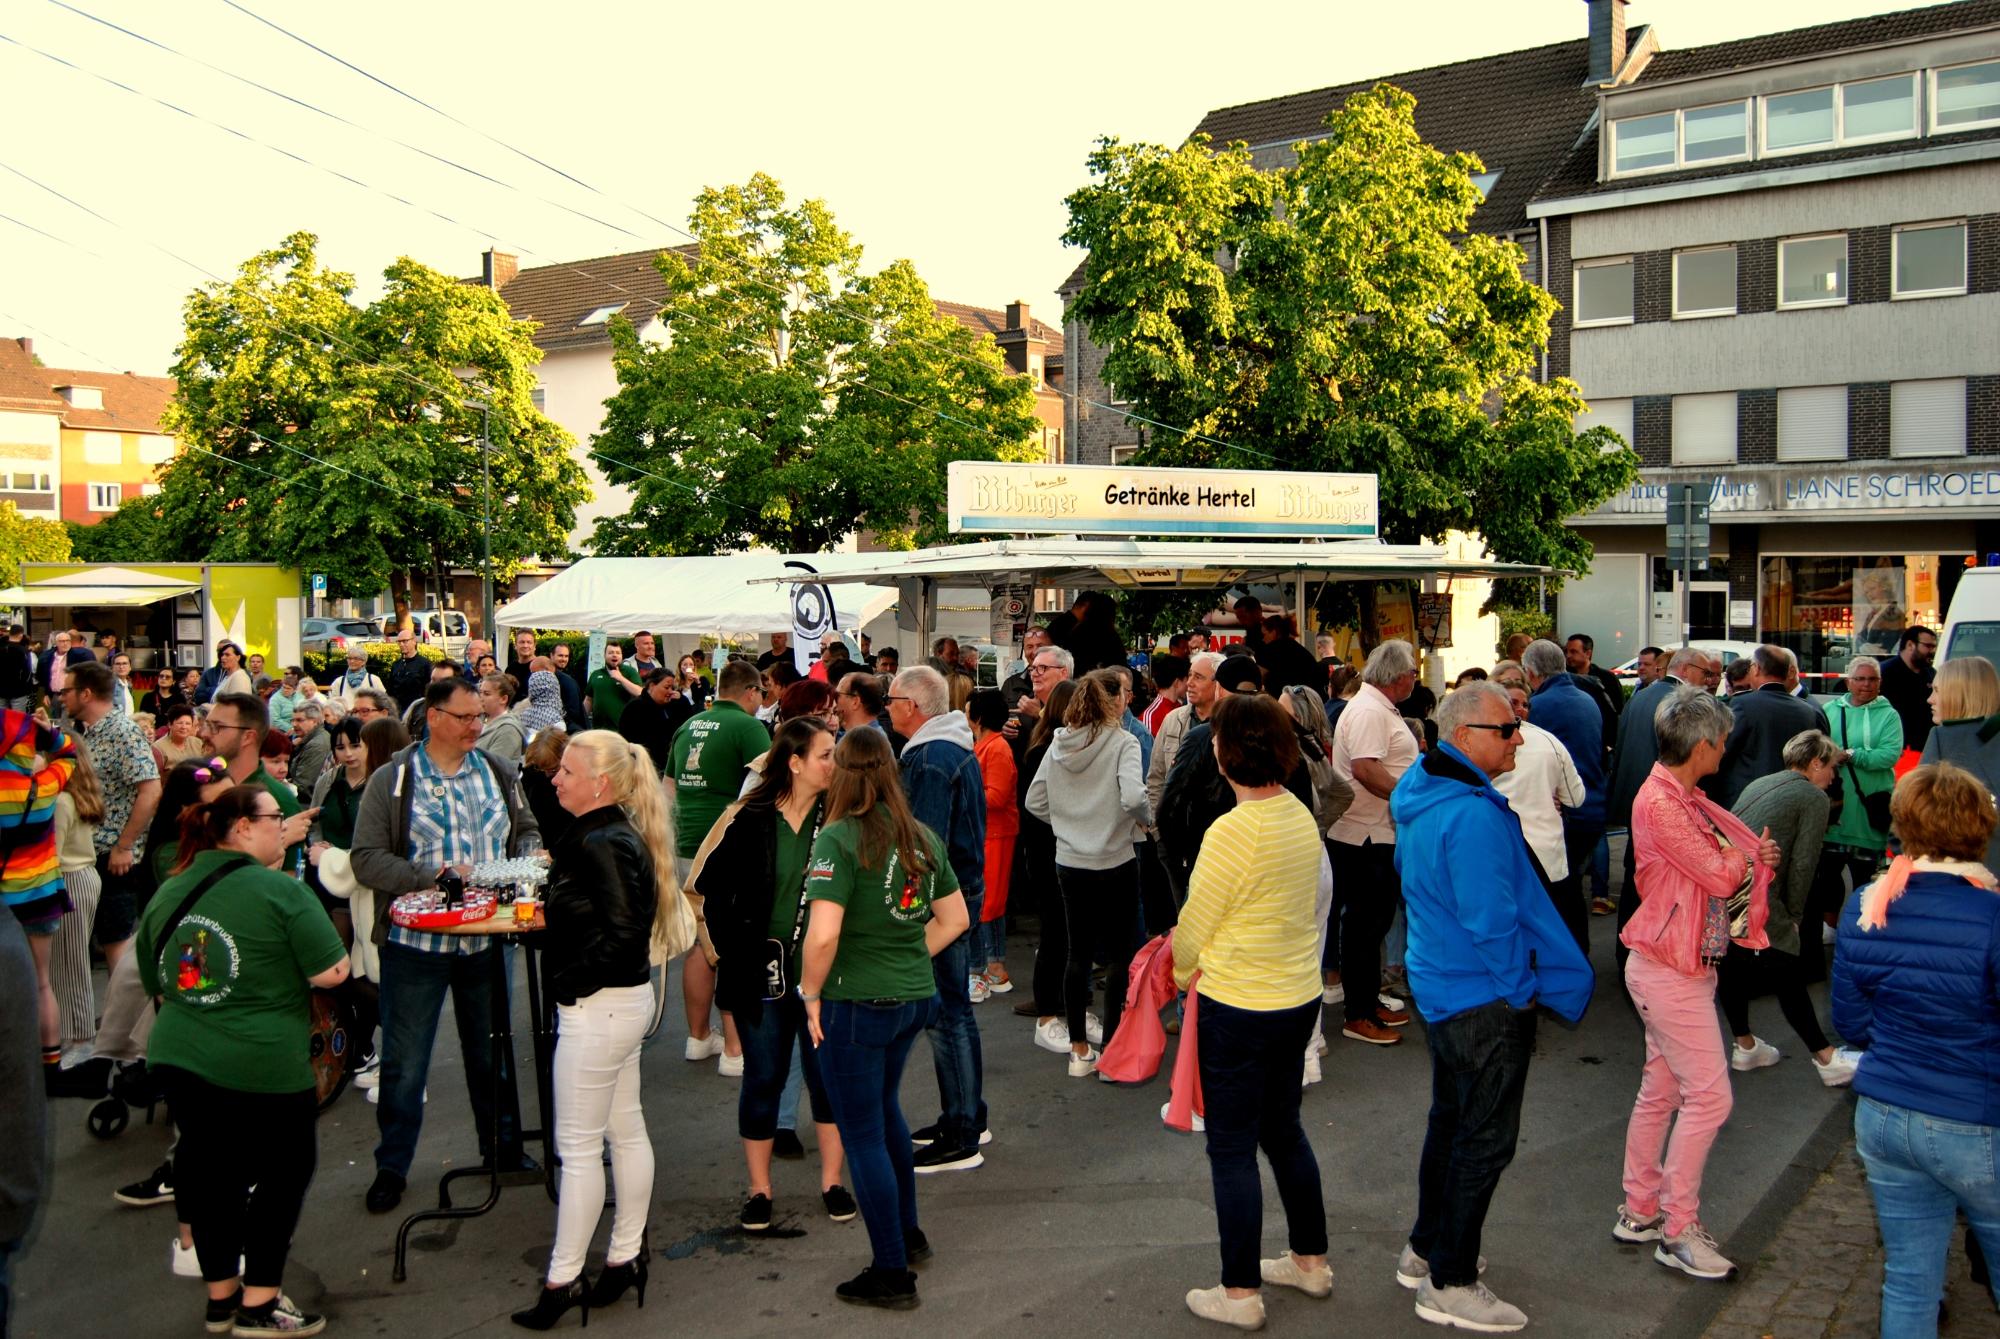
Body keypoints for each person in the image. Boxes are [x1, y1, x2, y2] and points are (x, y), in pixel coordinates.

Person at [1391, 681, 1594, 1333]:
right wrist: (1519, 990)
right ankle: (1450, 1278)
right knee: (1483, 1137)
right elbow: (1492, 918)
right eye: (1507, 728)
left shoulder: (1426, 789)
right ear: (1467, 735)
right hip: (1477, 994)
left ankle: (1428, 1248)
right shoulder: (1471, 811)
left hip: (1442, 984)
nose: (1518, 737)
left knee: (1452, 1123)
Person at [136, 784, 350, 1338]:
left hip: (182, 1053)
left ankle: (220, 1300)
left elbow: (160, 977)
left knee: (211, 1176)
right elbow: (332, 972)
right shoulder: (278, 890)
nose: (283, 825)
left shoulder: (173, 889)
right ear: (241, 828)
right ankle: (259, 1304)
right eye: (275, 816)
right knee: (283, 1174)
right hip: (262, 1060)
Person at [349, 678, 542, 1214]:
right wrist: (432, 876)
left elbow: (525, 830)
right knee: (406, 1064)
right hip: (416, 947)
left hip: (486, 943)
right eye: (465, 717)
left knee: (493, 1053)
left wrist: (526, 859)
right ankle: (392, 1166)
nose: (476, 726)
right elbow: (365, 859)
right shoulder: (394, 780)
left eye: (480, 716)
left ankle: (502, 1150)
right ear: (433, 717)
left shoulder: (499, 772)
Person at [1171, 692, 1330, 1331]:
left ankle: (1239, 1293)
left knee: (1231, 1147)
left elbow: (1192, 929)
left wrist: (1182, 975)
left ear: (1226, 752)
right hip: (1296, 997)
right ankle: (1310, 1261)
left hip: (1238, 1004)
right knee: (1284, 1129)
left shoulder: (1232, 831)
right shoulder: (1295, 812)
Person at [797, 726, 970, 1311]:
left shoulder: (838, 839)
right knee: (886, 1113)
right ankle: (908, 1234)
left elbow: (822, 935)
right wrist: (905, 956)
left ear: (843, 774)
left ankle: (892, 1270)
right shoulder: (918, 835)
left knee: (863, 1132)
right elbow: (955, 918)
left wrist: (810, 993)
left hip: (854, 1003)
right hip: (911, 998)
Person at [511, 730, 678, 1330]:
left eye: (567, 772)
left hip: (600, 1007)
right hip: (615, 1004)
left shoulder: (602, 839)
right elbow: (618, 927)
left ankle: (563, 1280)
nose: (554, 778)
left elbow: (624, 933)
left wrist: (568, 983)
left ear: (599, 784)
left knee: (580, 1149)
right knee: (621, 1131)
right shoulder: (604, 833)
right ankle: (625, 1258)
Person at [1616, 686, 1779, 1282]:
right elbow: (1716, 871)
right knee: (1710, 1098)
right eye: (1724, 739)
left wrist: (1744, 854)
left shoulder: (1679, 796)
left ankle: (1639, 1212)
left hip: (1674, 962)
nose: (1728, 747)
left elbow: (1717, 865)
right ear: (1704, 744)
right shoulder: (1666, 802)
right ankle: (1677, 1230)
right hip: (1670, 968)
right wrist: (1748, 855)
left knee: (1662, 1093)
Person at [1832, 762, 2000, 1339]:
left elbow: (1851, 1022)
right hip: (1975, 1119)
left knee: (1908, 1279)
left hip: (1884, 1113)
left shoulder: (1868, 907)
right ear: (1980, 828)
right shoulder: (1992, 915)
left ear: (1902, 827)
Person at [688, 720, 856, 1236]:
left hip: (828, 978)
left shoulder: (844, 819)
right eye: (827, 754)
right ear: (795, 761)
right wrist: (724, 954)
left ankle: (832, 1182)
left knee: (828, 1080)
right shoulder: (745, 816)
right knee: (763, 1078)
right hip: (761, 976)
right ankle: (759, 1190)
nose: (836, 764)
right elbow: (700, 890)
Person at [888, 665, 989, 1171]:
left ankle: (962, 1130)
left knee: (947, 1016)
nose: (887, 707)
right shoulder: (947, 749)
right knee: (955, 1013)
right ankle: (968, 1114)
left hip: (945, 900)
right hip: (962, 891)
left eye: (891, 699)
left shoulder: (928, 759)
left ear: (913, 706)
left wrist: (910, 912)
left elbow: (925, 847)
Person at [1025, 671, 1149, 1077]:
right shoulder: (1123, 742)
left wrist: (1066, 823)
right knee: (1118, 955)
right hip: (1115, 857)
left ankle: (1079, 1049)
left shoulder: (1058, 744)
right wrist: (1144, 823)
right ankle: (1112, 1047)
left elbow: (1035, 801)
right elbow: (1133, 796)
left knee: (1076, 954)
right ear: (1113, 703)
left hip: (1070, 860)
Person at [1727, 730, 1856, 1085]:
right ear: (1815, 764)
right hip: (1761, 893)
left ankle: (1745, 1045)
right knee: (1786, 968)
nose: (1833, 777)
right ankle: (1826, 1058)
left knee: (1734, 968)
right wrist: (1794, 916)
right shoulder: (1813, 796)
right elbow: (1803, 864)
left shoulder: (1761, 782)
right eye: (1831, 767)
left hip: (1729, 887)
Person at [671, 658, 768, 1072]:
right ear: (750, 691)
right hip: (723, 845)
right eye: (760, 694)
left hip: (683, 842)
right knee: (730, 941)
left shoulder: (690, 724)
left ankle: (697, 1037)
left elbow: (670, 785)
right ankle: (734, 1047)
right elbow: (768, 784)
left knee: (699, 942)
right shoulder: (749, 728)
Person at [1327, 640, 1420, 1046]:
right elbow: (1365, 769)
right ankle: (1359, 1013)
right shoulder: (1367, 710)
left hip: (1376, 831)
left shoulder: (1374, 707)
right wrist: (1409, 799)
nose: (1416, 678)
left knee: (1373, 923)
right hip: (1365, 834)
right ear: (1399, 677)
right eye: (1414, 672)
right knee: (1366, 925)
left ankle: (1365, 1002)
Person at [64, 660, 160, 975]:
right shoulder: (86, 731)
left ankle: (123, 1018)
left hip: (113, 855)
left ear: (86, 694)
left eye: (67, 691)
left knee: (116, 941)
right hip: (91, 852)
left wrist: (125, 845)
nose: (62, 697)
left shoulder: (123, 731)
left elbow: (150, 790)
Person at [1606, 649, 1715, 922]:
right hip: (1665, 805)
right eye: (1705, 673)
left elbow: (1621, 750)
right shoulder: (1683, 704)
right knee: (1659, 885)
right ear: (1687, 670)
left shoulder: (1640, 697)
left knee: (1635, 876)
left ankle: (1627, 950)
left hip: (1634, 803)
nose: (1708, 680)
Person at [1521, 640, 1605, 953]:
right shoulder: (1586, 699)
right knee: (1568, 890)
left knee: (1559, 893)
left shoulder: (1541, 707)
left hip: (1567, 812)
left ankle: (1567, 963)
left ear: (1531, 673)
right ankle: (1575, 958)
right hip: (1591, 807)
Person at [1822, 657, 1902, 923]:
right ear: (1848, 682)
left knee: (1867, 882)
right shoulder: (1831, 710)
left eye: (1872, 679)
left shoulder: (1889, 715)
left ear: (1880, 682)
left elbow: (1889, 755)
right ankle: (1831, 927)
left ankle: (1865, 927)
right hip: (1835, 812)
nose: (1866, 685)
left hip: (1870, 814)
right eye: (1860, 679)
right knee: (1828, 877)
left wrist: (1853, 755)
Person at [1489, 681, 1585, 903]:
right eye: (1514, 703)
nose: (1520, 709)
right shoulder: (1549, 742)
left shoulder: (1479, 745)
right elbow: (1575, 797)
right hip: (1543, 854)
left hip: (1506, 855)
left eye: (1525, 704)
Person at [1704, 646, 1830, 809]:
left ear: (1756, 669)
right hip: (1792, 801)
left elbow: (1722, 750)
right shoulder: (1807, 710)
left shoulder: (1743, 704)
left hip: (1747, 801)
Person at [1915, 654, 2000, 872]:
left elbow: (1916, 820)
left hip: (1964, 883)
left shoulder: (1943, 739)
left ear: (1960, 694)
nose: (1930, 699)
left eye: (1937, 690)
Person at [966, 689, 1017, 994]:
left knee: (989, 904)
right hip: (991, 832)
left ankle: (990, 967)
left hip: (995, 833)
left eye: (968, 710)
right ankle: (992, 966)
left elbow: (996, 797)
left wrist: (964, 795)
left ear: (979, 717)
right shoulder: (989, 746)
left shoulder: (996, 748)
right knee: (990, 903)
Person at [1878, 625, 1938, 756]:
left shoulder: (1931, 674)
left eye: (1934, 647)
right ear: (1910, 645)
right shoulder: (1884, 673)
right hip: (1895, 748)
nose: (1932, 651)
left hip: (1925, 748)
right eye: (1928, 646)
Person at [619, 667, 691, 774]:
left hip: (667, 767)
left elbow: (686, 722)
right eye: (667, 687)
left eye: (672, 688)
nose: (670, 692)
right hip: (642, 768)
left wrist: (682, 700)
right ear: (652, 685)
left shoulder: (672, 705)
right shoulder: (635, 708)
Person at [521, 728, 571, 850]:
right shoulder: (531, 774)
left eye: (553, 769)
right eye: (542, 768)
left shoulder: (573, 780)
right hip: (538, 844)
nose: (548, 775)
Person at [1255, 613, 1321, 695]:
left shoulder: (1272, 649)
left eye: (1264, 634)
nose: (1263, 639)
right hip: (1305, 698)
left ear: (1274, 632)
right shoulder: (1299, 649)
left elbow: (1260, 675)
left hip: (1282, 699)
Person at [1564, 633, 1625, 715]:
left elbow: (1618, 709)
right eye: (1566, 651)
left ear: (1588, 653)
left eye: (1573, 652)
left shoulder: (1607, 678)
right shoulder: (1563, 677)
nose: (1568, 655)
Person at [588, 642, 643, 730]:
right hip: (598, 729)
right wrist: (582, 721)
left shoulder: (630, 672)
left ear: (621, 656)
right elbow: (588, 700)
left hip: (623, 729)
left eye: (618, 653)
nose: (614, 655)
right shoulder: (595, 674)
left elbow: (639, 692)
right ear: (604, 655)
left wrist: (621, 678)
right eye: (611, 653)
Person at [475, 673, 525, 765]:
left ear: (503, 699)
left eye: (486, 694)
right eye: (480, 692)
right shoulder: (479, 719)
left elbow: (491, 767)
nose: (480, 697)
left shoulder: (509, 729)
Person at [288, 702, 331, 798]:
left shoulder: (316, 745)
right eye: (293, 720)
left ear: (315, 721)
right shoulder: (310, 739)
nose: (294, 724)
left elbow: (305, 786)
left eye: (299, 720)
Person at [1142, 654, 1188, 736]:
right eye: (1187, 680)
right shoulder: (1151, 715)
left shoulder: (1182, 708)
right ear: (1177, 682)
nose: (1189, 684)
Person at [503, 630, 540, 704]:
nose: (525, 645)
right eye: (522, 642)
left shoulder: (540, 667)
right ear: (515, 646)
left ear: (534, 646)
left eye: (529, 642)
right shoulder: (510, 668)